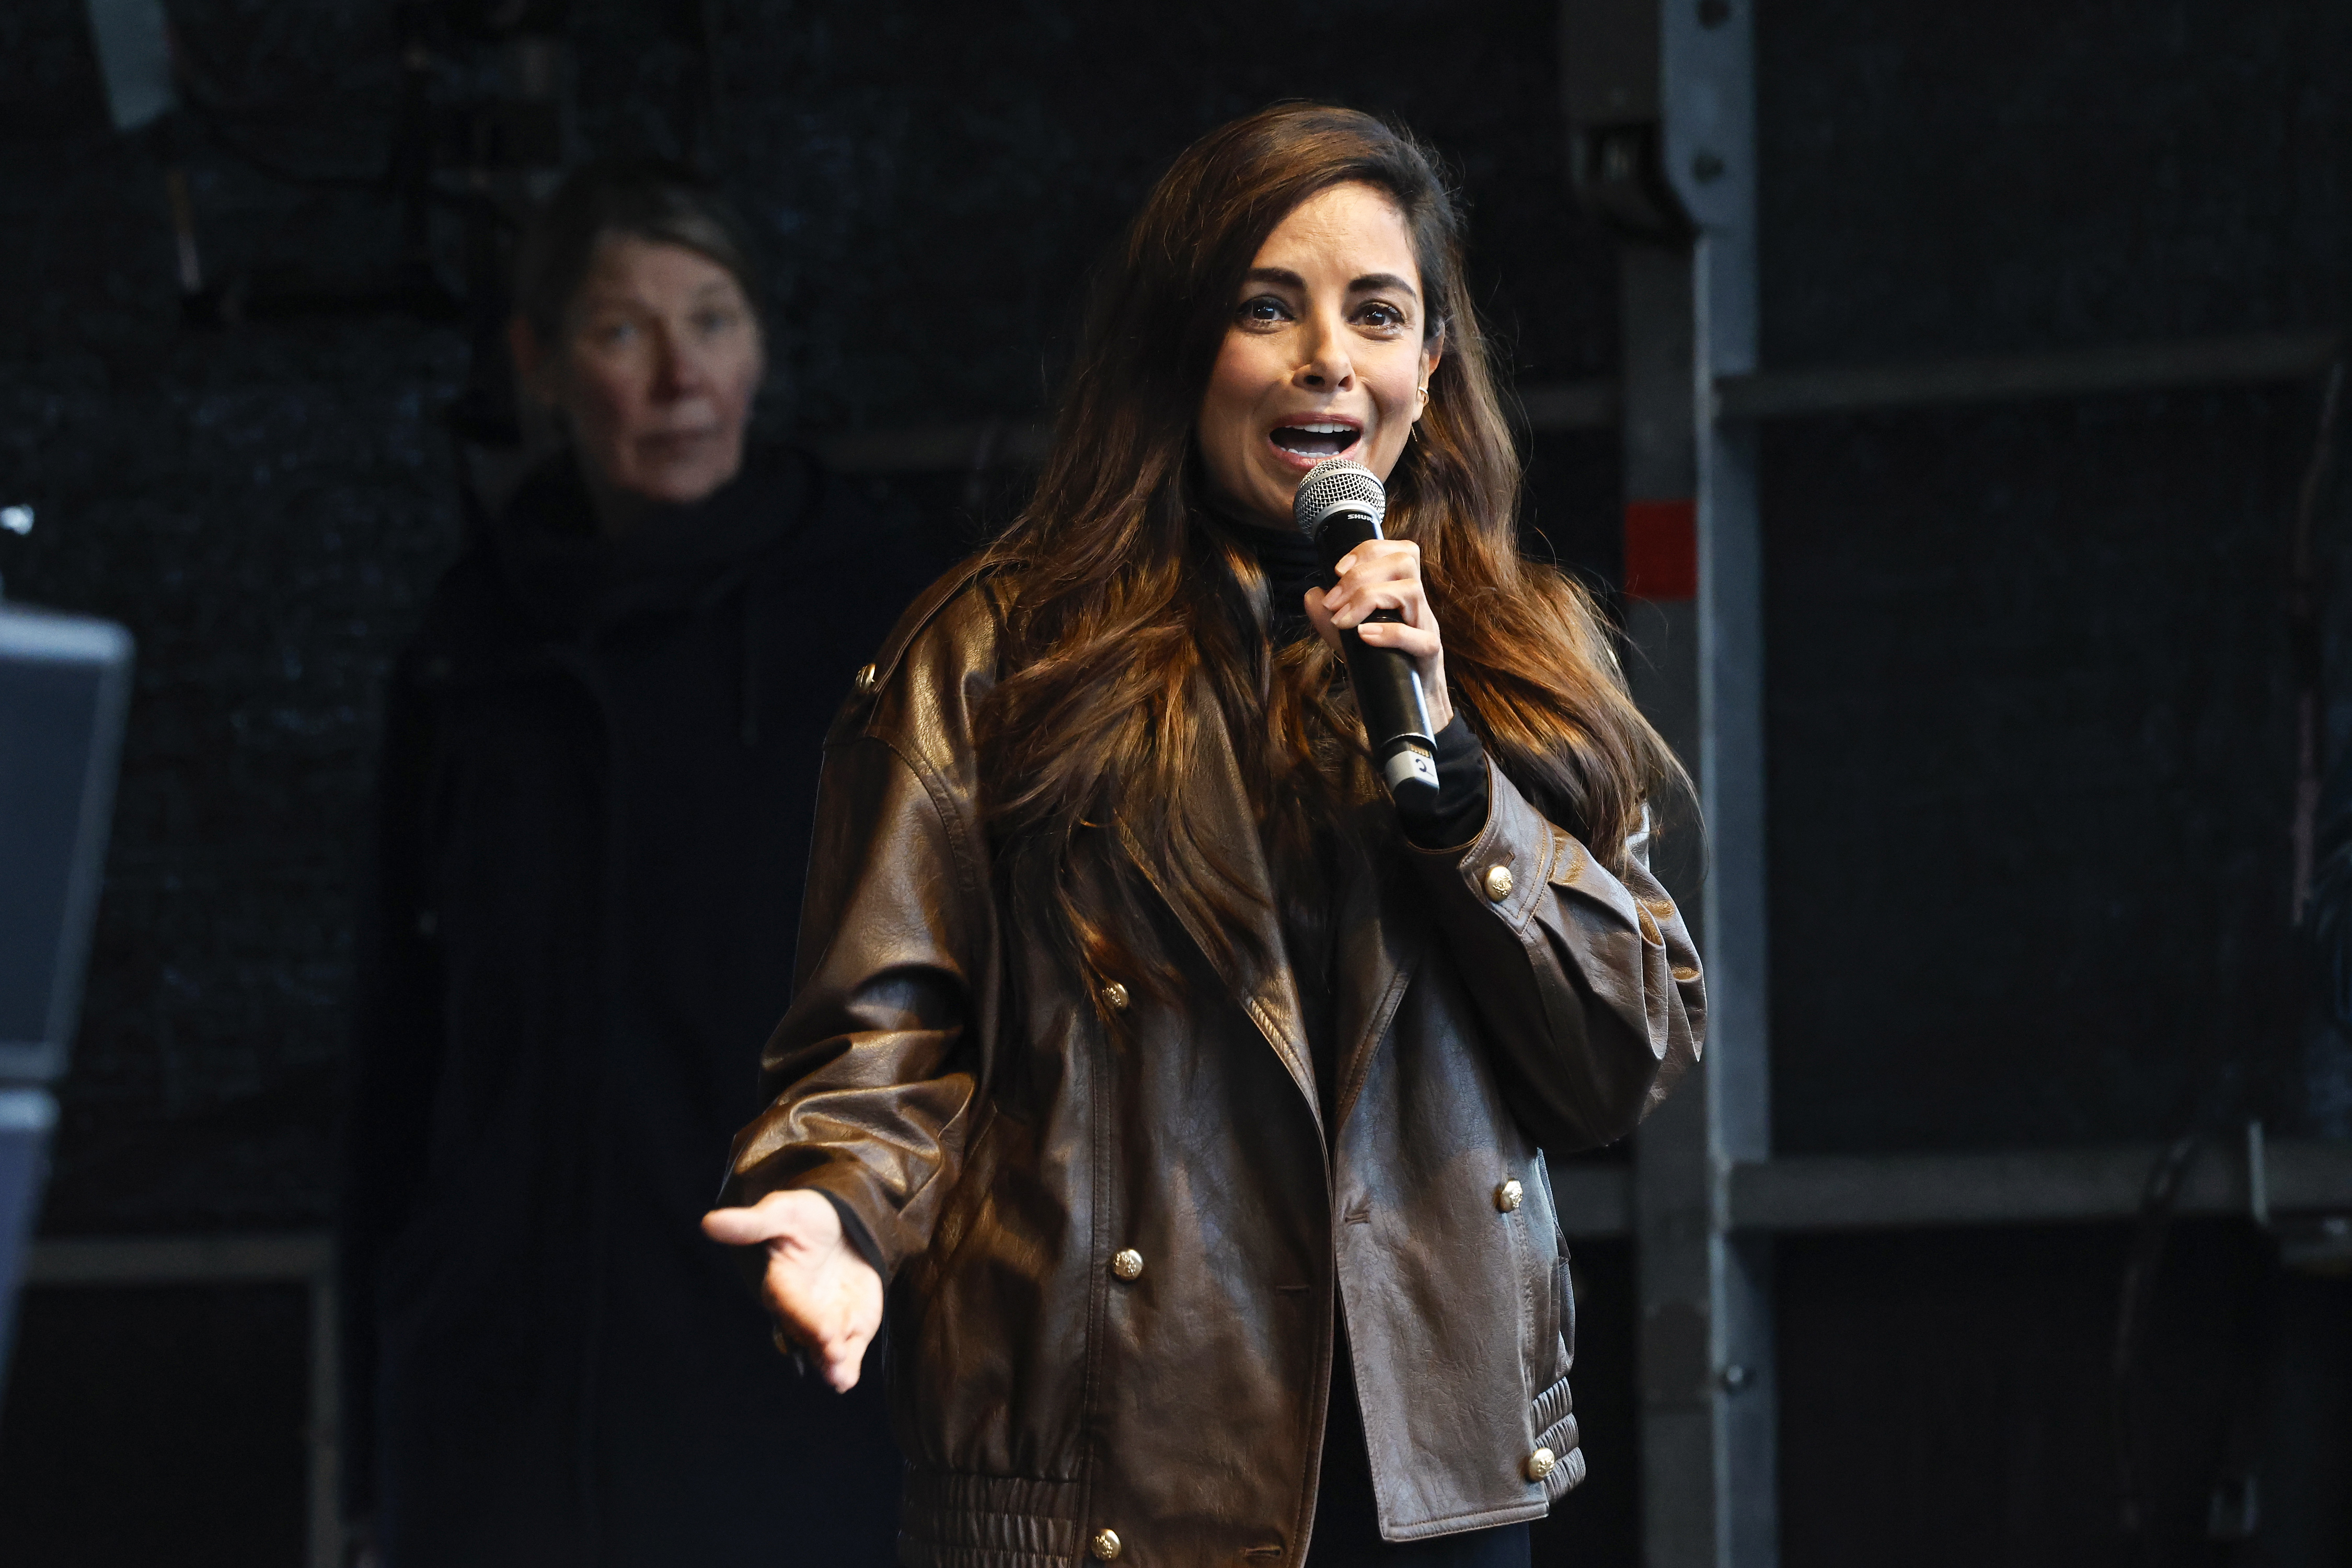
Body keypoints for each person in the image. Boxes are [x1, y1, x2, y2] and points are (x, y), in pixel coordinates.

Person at [702, 105, 1706, 1566]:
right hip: (1108, 1484)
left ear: (1429, 368)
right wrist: (834, 1214)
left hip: (1434, 1492)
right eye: (1263, 306)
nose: (1325, 360)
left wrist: (1457, 795)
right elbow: (884, 1033)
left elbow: (1620, 1057)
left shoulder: (1512, 656)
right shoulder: (997, 656)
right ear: (1182, 349)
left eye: (1376, 314)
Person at [339, 159, 931, 1566]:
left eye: (711, 323)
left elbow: (949, 1016)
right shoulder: (468, 642)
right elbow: (400, 1049)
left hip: (776, 1366)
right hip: (497, 1395)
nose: (677, 376)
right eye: (623, 332)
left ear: (761, 351)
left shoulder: (872, 629)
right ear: (540, 363)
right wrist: (383, 1419)